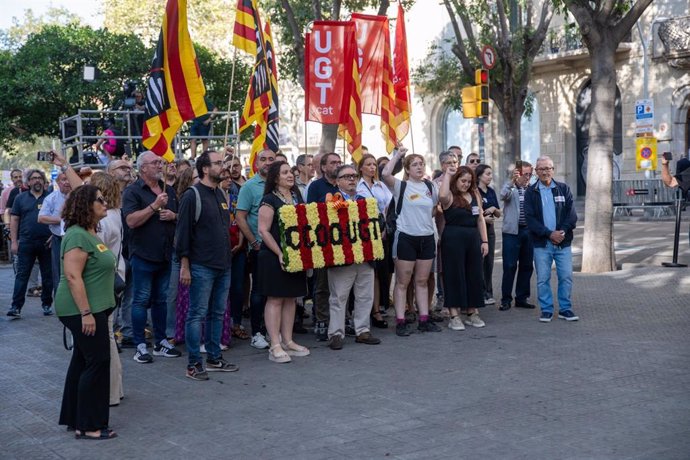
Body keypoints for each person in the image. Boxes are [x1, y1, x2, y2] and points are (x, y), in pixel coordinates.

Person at [56, 184, 118, 440]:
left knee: (83, 360)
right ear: (86, 205)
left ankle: (76, 419)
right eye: (100, 200)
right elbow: (72, 276)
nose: (105, 203)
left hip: (95, 308)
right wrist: (86, 313)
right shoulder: (77, 235)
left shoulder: (89, 232)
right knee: (98, 361)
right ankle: (90, 425)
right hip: (81, 310)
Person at [176, 151, 239, 380]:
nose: (224, 166)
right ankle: (194, 363)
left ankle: (214, 358)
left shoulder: (221, 193)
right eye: (219, 163)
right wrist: (185, 265)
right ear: (205, 168)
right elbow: (182, 234)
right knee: (197, 314)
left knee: (217, 313)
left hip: (223, 265)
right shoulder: (192, 196)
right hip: (201, 265)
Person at [122, 151, 181, 363]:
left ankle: (160, 342)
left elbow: (179, 218)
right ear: (143, 168)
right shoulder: (133, 191)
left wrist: (173, 216)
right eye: (155, 162)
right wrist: (154, 206)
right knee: (140, 300)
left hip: (165, 254)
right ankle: (139, 344)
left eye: (161, 162)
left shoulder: (170, 190)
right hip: (143, 254)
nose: (160, 165)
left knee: (161, 300)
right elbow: (130, 221)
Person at [381, 147, 441, 336]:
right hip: (406, 237)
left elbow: (434, 209)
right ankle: (400, 321)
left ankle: (424, 319)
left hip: (426, 238)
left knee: (422, 280)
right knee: (402, 282)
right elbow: (385, 173)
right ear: (407, 169)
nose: (419, 167)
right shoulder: (401, 186)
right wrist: (397, 155)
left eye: (421, 164)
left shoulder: (431, 187)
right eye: (414, 164)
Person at [256, 161, 310, 362]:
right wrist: (280, 253)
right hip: (273, 255)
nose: (290, 175)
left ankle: (288, 341)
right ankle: (275, 345)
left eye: (291, 172)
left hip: (295, 256)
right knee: (276, 298)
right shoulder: (269, 200)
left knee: (291, 297)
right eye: (285, 172)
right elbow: (263, 230)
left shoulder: (297, 197)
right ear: (275, 178)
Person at [327, 164, 381, 350]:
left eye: (354, 176)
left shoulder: (365, 200)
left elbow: (377, 223)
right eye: (346, 176)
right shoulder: (332, 200)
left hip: (365, 256)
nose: (351, 179)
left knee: (365, 296)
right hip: (342, 258)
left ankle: (363, 330)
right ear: (337, 181)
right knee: (339, 297)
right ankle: (336, 333)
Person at [524, 156, 579, 323]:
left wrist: (561, 232)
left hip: (563, 243)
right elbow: (530, 218)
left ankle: (565, 309)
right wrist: (549, 234)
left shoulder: (563, 189)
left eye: (548, 168)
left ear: (553, 170)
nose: (545, 172)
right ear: (536, 171)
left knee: (566, 276)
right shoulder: (531, 192)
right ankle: (546, 310)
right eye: (541, 169)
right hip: (542, 243)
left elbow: (571, 215)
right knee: (543, 278)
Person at [90, 173, 125, 406]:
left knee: (105, 336)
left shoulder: (102, 221)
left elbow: (97, 252)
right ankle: (116, 388)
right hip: (116, 275)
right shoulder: (115, 214)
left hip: (105, 279)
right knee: (109, 333)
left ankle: (110, 392)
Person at [439, 165, 489, 330]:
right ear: (456, 180)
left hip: (473, 238)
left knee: (474, 274)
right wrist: (447, 175)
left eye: (469, 181)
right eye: (463, 180)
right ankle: (454, 314)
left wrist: (485, 241)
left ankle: (472, 312)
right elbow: (442, 195)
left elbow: (480, 218)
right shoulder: (450, 196)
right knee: (454, 274)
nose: (466, 184)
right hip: (453, 239)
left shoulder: (474, 194)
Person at [236, 149, 276, 349]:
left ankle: (274, 330)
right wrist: (253, 242)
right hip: (260, 249)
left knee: (276, 292)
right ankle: (257, 332)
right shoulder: (249, 187)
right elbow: (240, 217)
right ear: (256, 163)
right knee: (259, 291)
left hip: (281, 249)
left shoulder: (283, 185)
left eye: (271, 159)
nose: (268, 162)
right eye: (263, 159)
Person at [7, 169, 53, 318]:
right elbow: (14, 220)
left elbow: (59, 218)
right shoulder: (20, 198)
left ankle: (47, 304)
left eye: (40, 178)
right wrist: (14, 241)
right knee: (22, 275)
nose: (37, 181)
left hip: (47, 243)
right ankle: (16, 307)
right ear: (28, 182)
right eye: (33, 178)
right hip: (26, 242)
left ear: (44, 181)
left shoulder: (50, 198)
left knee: (48, 276)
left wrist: (54, 236)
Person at [306, 152, 342, 340]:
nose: (337, 165)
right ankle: (321, 319)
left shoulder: (344, 184)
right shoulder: (315, 186)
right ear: (324, 167)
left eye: (339, 162)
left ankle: (342, 319)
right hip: (322, 240)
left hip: (343, 241)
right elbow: (312, 212)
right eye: (333, 162)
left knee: (342, 284)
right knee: (322, 284)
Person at [356, 153, 392, 329]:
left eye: (373, 165)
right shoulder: (357, 186)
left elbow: (389, 206)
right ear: (361, 167)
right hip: (363, 233)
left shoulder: (381, 186)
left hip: (381, 232)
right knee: (364, 272)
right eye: (368, 164)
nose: (372, 167)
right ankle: (360, 310)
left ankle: (376, 309)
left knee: (378, 272)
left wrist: (386, 227)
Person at [499, 161, 536, 311]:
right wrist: (512, 182)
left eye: (529, 174)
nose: (527, 177)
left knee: (527, 266)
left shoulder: (533, 190)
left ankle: (522, 298)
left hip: (528, 231)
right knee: (509, 265)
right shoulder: (511, 188)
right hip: (512, 233)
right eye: (524, 174)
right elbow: (502, 195)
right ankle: (506, 299)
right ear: (517, 174)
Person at [38, 172, 71, 295]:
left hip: (77, 239)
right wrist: (62, 221)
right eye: (63, 179)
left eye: (68, 179)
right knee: (58, 272)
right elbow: (41, 218)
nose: (67, 182)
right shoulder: (51, 198)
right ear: (58, 182)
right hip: (59, 239)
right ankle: (60, 302)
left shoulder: (80, 196)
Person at [475, 164, 501, 305]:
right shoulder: (475, 191)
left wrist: (493, 209)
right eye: (488, 174)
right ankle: (479, 292)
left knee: (489, 262)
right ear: (479, 176)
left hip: (490, 231)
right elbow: (474, 213)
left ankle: (488, 292)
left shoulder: (491, 191)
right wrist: (483, 218)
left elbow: (498, 212)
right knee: (478, 261)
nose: (490, 177)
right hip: (477, 231)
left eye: (491, 174)